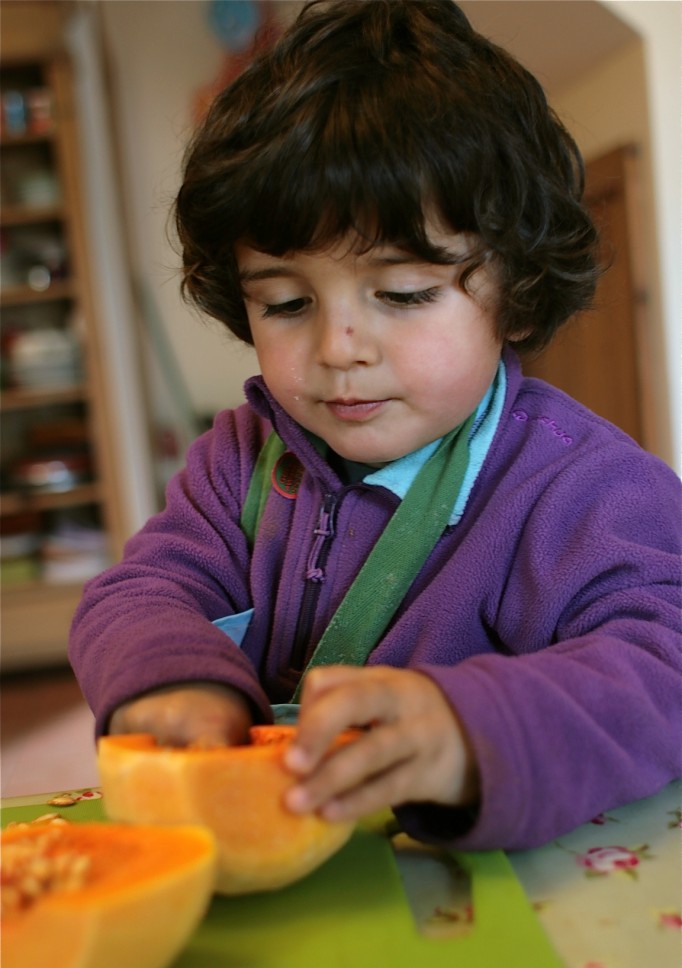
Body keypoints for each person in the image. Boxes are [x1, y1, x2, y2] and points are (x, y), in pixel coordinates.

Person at [69, 0, 681, 851]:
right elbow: (139, 593)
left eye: (402, 293)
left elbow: (664, 663)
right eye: (287, 303)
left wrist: (474, 730)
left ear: (516, 291)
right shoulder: (236, 460)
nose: (337, 349)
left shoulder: (585, 488)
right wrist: (171, 679)